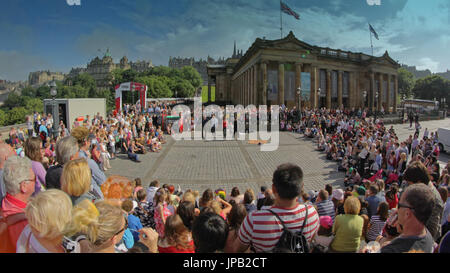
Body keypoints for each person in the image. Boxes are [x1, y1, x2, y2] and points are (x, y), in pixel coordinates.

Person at [231, 163, 320, 253]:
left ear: (273, 189)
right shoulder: (312, 213)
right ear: (301, 187)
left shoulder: (254, 220)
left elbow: (236, 249)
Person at [380, 183, 436, 253]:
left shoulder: (391, 250)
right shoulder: (427, 235)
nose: (396, 211)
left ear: (407, 213)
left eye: (399, 205)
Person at [0, 156, 35, 253]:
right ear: (24, 186)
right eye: (34, 179)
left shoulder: (4, 203)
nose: (36, 182)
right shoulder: (24, 225)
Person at [403, 161, 444, 242]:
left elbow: (432, 230)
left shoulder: (433, 199)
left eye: (410, 184)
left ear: (418, 182)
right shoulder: (422, 192)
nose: (409, 187)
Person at [71, 127, 106, 200]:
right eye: (90, 141)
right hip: (93, 198)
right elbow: (102, 181)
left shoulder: (71, 157)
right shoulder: (88, 162)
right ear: (86, 142)